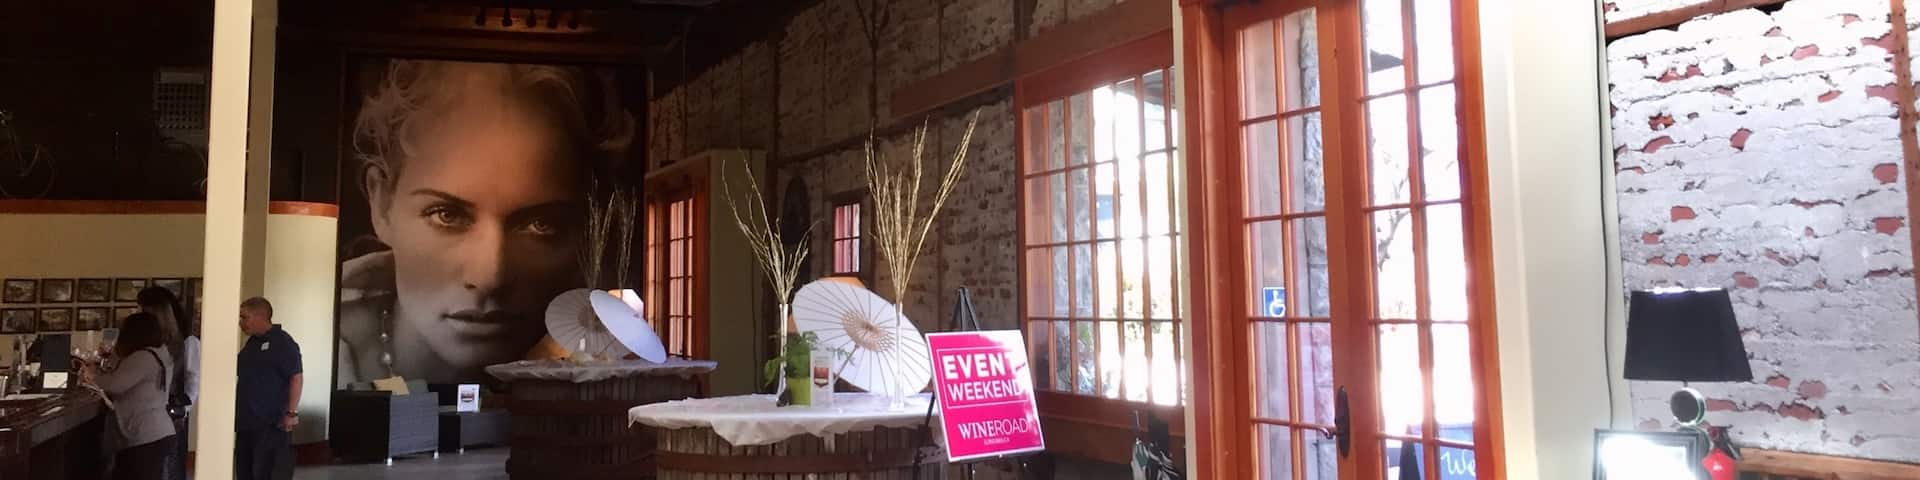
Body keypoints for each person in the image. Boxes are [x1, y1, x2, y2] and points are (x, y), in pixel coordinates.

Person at [335, 59, 636, 385]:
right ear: (381, 204)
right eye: (446, 215)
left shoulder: (602, 369)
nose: (491, 275)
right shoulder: (320, 356)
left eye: (540, 224)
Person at [83, 312, 178, 480]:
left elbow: (115, 385)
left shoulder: (142, 357)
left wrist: (92, 376)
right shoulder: (160, 352)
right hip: (158, 432)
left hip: (144, 435)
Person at [235, 297, 301, 480]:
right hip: (247, 421)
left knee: (268, 472)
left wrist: (291, 413)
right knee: (245, 471)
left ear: (260, 316)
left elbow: (296, 377)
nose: (241, 323)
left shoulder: (283, 343)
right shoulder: (252, 344)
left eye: (244, 317)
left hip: (271, 423)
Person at [136, 286, 197, 480]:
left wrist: (183, 408)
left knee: (169, 466)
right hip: (145, 415)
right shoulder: (148, 343)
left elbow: (193, 380)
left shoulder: (188, 343)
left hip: (171, 415)